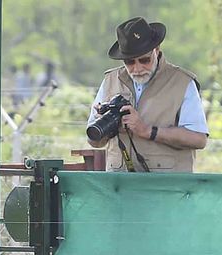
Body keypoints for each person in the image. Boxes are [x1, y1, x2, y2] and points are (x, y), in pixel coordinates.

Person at [87, 16, 208, 172]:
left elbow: (199, 139)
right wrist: (104, 124)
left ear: (156, 50)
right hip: (119, 187)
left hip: (166, 189)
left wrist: (147, 131)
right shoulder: (110, 80)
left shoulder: (182, 82)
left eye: (144, 60)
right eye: (129, 62)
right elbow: (93, 140)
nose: (137, 68)